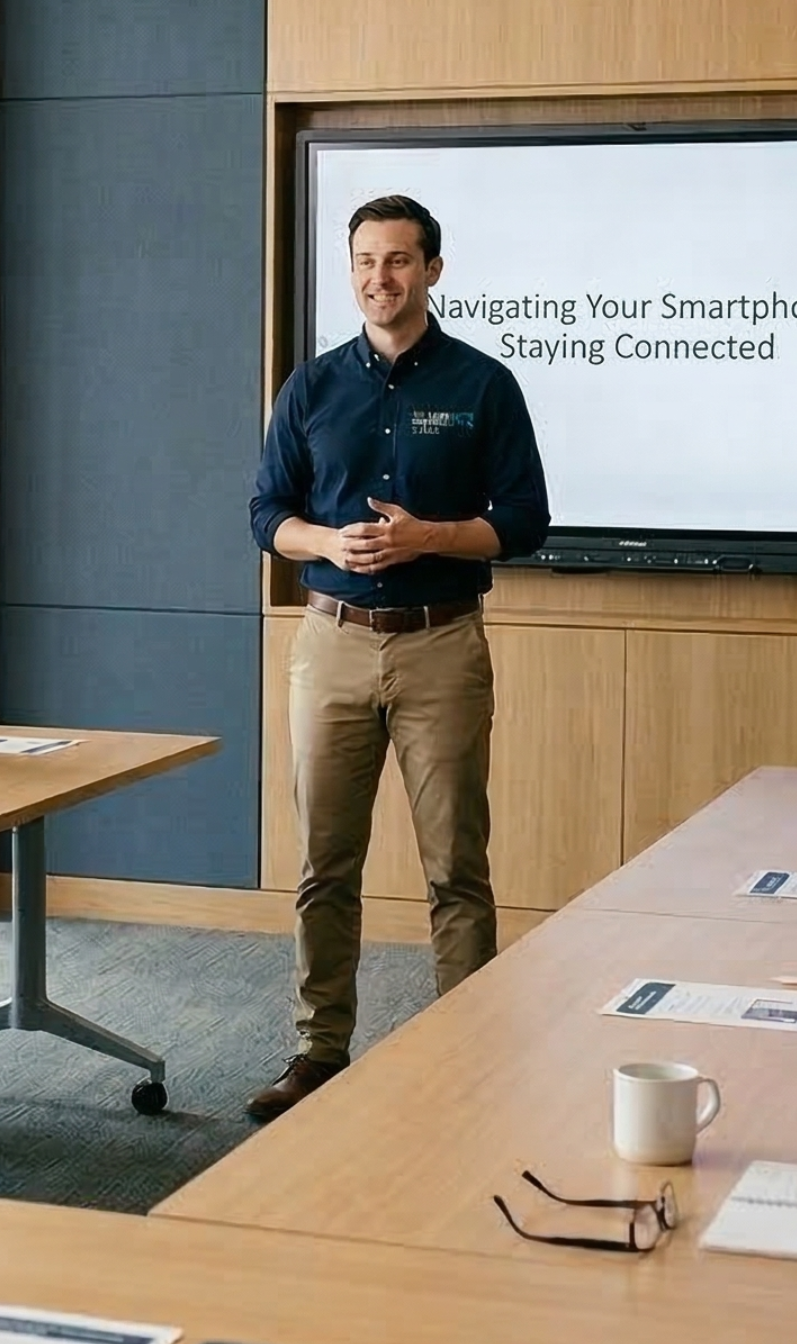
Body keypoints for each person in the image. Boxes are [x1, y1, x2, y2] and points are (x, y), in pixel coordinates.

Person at [242, 193, 551, 1123]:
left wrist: (432, 539)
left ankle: (462, 1049)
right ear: (352, 271)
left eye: (400, 261)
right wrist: (325, 545)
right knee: (324, 864)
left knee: (456, 864)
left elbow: (525, 523)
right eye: (366, 262)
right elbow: (266, 516)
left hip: (441, 646)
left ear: (434, 270)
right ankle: (318, 1049)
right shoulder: (310, 386)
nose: (382, 279)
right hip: (330, 644)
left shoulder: (482, 384)